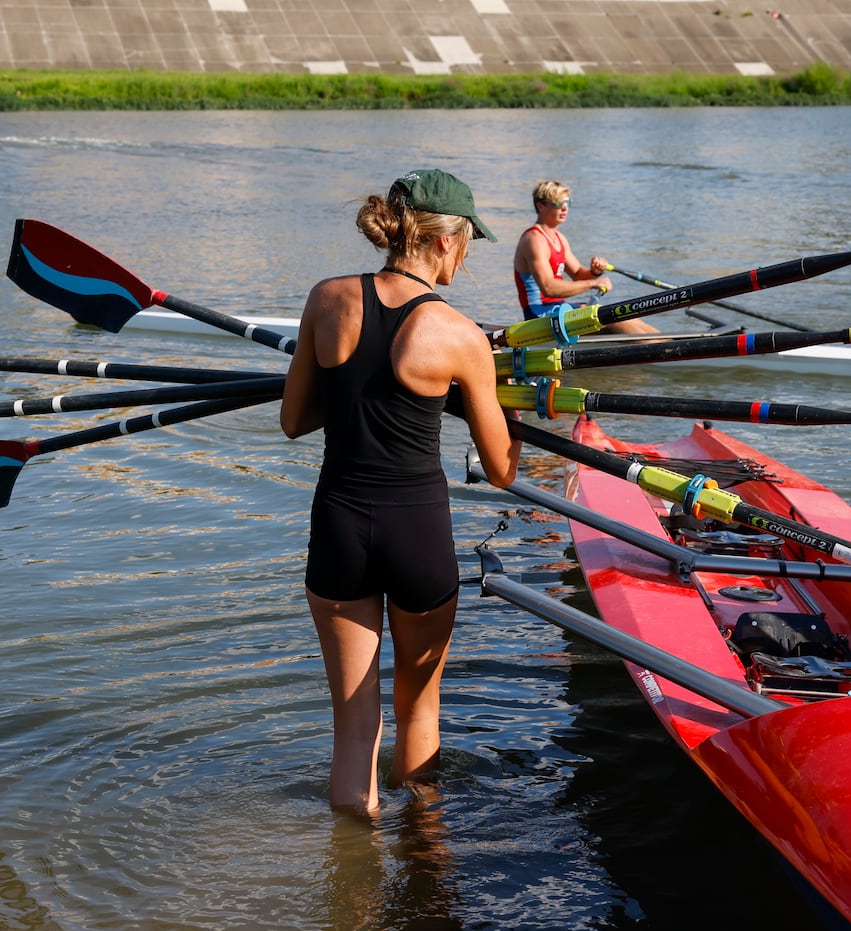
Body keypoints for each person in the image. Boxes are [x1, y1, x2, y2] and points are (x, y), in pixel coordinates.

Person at [280, 168, 522, 816]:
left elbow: (294, 419)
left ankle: (350, 890)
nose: (466, 256)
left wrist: (357, 392)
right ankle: (424, 872)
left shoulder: (325, 300)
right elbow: (501, 470)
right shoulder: (462, 336)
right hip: (416, 533)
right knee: (420, 710)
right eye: (469, 242)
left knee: (353, 731)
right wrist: (512, 412)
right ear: (446, 241)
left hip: (339, 528)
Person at [512, 180, 658, 334]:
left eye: (568, 203)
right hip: (538, 317)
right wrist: (593, 283)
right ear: (541, 206)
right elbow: (549, 288)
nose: (565, 208)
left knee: (626, 316)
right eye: (558, 203)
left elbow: (578, 275)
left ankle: (674, 345)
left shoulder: (559, 238)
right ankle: (666, 351)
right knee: (612, 319)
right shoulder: (533, 240)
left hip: (558, 311)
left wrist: (594, 272)